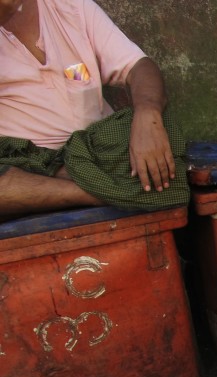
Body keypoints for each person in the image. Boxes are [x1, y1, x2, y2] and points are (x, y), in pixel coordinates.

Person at [0, 0, 188, 218]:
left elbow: (137, 67)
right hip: (26, 164)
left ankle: (94, 188)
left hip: (96, 152)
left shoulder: (71, 6)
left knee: (162, 142)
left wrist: (148, 114)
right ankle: (102, 194)